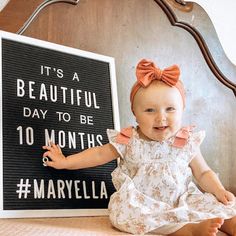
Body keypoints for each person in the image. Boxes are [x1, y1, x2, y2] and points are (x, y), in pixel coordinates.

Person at [42, 59, 236, 235]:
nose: (161, 117)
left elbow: (203, 173)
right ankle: (188, 230)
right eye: (150, 110)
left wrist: (219, 190)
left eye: (170, 109)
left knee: (211, 202)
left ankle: (228, 221)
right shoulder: (129, 140)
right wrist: (66, 161)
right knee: (128, 215)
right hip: (144, 203)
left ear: (182, 109)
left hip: (182, 199)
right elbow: (99, 153)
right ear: (135, 113)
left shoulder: (186, 140)